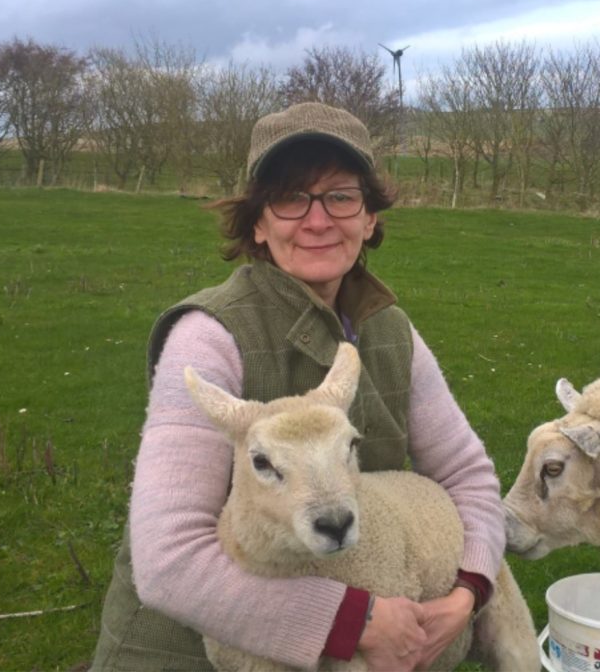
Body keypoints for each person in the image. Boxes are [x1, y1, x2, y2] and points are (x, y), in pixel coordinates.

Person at [91, 102, 506, 671]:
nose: (318, 221)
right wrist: (353, 621)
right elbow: (169, 561)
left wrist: (470, 590)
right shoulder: (209, 336)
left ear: (369, 219)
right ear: (258, 222)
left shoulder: (392, 333)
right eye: (291, 198)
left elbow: (467, 475)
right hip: (187, 649)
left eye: (341, 196)